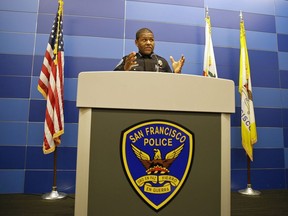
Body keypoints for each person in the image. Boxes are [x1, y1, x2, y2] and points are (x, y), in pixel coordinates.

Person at [114, 28, 185, 73]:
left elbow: (170, 85)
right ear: (136, 42)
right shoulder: (128, 60)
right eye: (144, 40)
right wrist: (124, 70)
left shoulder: (162, 61)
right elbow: (113, 80)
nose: (148, 43)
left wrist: (176, 73)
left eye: (151, 40)